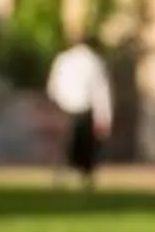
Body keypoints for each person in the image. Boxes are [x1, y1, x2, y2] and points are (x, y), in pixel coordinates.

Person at [44, 33, 113, 186]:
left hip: (64, 107)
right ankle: (85, 175)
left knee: (67, 144)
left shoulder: (63, 59)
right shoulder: (94, 61)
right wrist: (104, 117)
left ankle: (64, 173)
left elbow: (53, 86)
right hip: (84, 108)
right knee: (84, 145)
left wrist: (54, 105)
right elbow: (101, 91)